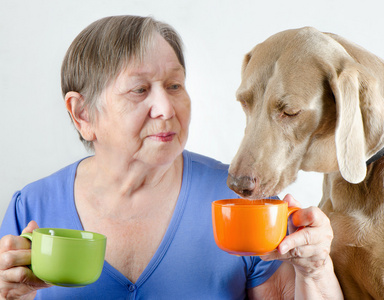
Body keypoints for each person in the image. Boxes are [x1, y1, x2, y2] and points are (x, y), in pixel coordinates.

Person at [0, 15, 343, 299]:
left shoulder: (246, 205)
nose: (165, 108)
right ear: (83, 115)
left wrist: (315, 270)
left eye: (175, 86)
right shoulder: (31, 208)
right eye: (140, 90)